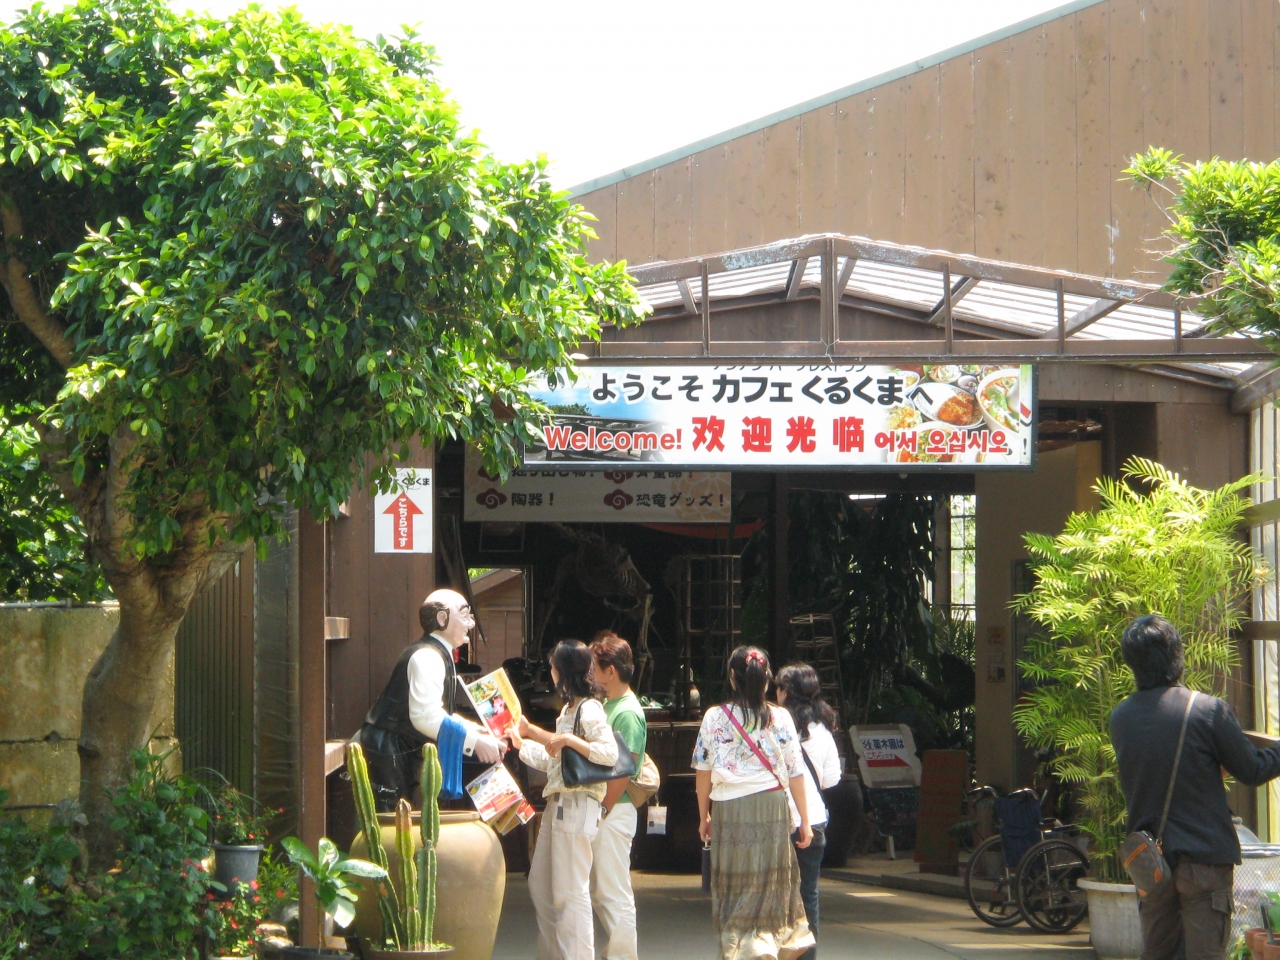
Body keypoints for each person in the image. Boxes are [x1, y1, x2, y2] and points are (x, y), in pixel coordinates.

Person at [1111, 615, 1280, 960]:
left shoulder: (1120, 717)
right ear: (1177, 655)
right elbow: (1253, 770)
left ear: (1132, 664)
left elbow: (1154, 769)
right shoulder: (1207, 710)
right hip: (1203, 861)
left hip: (1151, 865)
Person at [693, 646, 815, 960]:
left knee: (737, 889)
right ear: (767, 679)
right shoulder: (781, 717)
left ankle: (746, 949)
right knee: (772, 884)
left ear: (732, 678)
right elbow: (796, 772)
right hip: (773, 807)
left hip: (730, 809)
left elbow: (703, 773)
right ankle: (773, 943)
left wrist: (704, 816)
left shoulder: (714, 717)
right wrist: (805, 820)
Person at [511, 640, 620, 960]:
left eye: (553, 667)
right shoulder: (570, 710)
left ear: (563, 671)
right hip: (559, 805)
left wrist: (570, 739)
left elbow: (609, 753)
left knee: (571, 894)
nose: (550, 672)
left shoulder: (589, 708)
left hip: (576, 807)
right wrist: (520, 744)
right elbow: (554, 764)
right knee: (541, 886)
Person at [352, 588, 506, 811]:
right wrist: (474, 742)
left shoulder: (438, 654)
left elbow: (440, 713)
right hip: (388, 750)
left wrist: (477, 732)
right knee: (390, 820)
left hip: (401, 748)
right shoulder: (427, 657)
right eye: (464, 615)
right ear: (442, 619)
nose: (471, 623)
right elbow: (426, 716)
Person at [588, 630, 648, 960]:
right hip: (608, 808)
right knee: (604, 889)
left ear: (610, 671)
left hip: (613, 809)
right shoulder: (610, 704)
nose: (590, 673)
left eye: (594, 667)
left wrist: (603, 809)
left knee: (612, 890)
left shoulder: (626, 712)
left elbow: (625, 770)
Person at [776, 663, 843, 953]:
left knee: (774, 893)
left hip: (776, 819)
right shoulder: (823, 731)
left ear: (785, 692)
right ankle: (807, 955)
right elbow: (832, 779)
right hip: (813, 820)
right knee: (808, 894)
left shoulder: (774, 727)